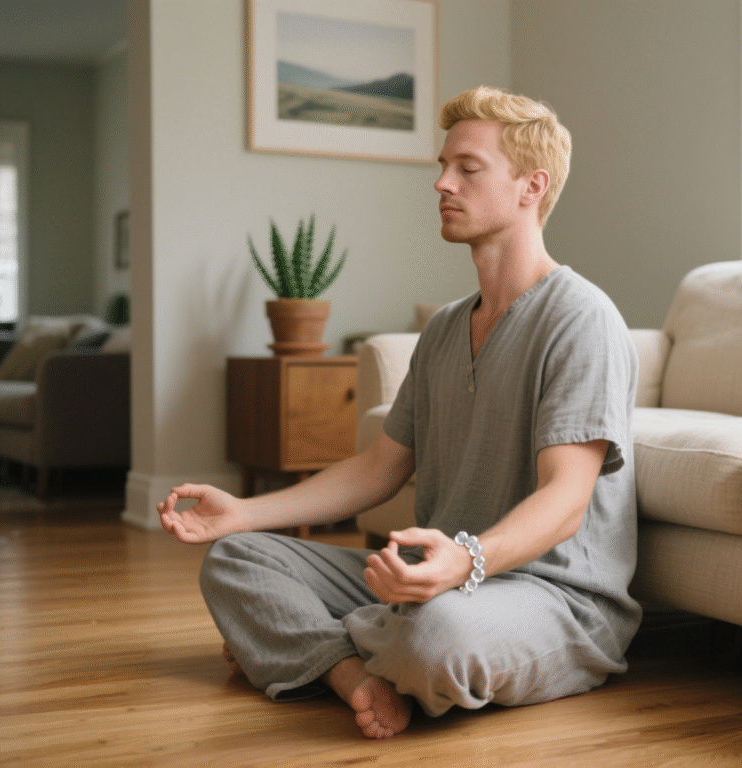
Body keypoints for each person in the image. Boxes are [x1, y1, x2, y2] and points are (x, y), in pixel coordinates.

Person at [158, 85, 641, 740]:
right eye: (442, 167)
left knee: (435, 636)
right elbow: (378, 469)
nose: (442, 183)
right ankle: (353, 674)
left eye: (467, 169)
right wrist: (244, 513)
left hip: (548, 598)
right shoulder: (445, 328)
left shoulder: (581, 319)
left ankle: (308, 649)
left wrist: (464, 561)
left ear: (532, 187)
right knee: (237, 559)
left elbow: (566, 501)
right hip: (426, 578)